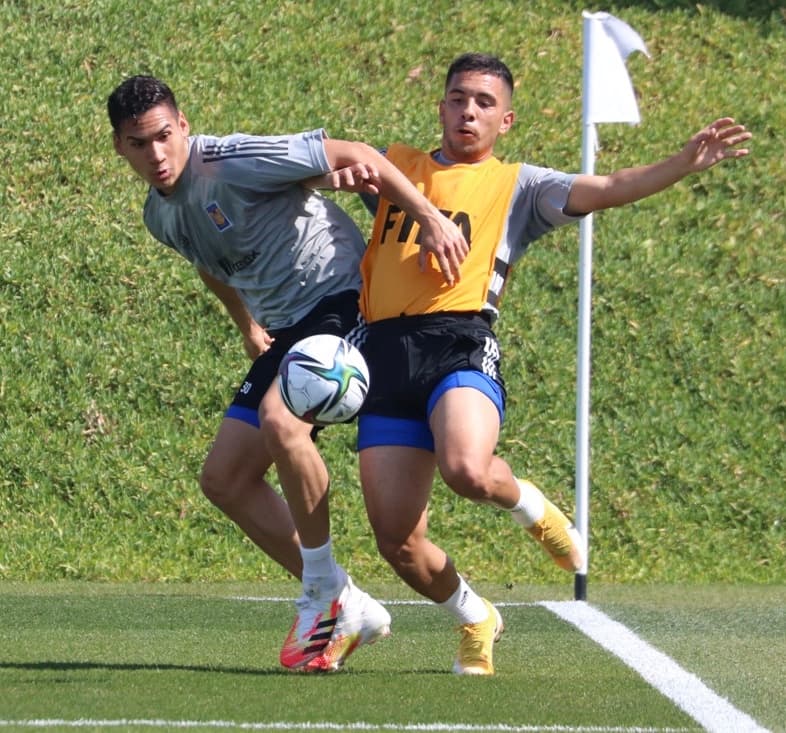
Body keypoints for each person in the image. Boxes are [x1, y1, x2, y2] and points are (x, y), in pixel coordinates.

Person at [346, 52, 752, 676]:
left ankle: (532, 509)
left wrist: (683, 161)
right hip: (382, 354)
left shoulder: (521, 185)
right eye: (458, 98)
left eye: (484, 103)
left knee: (466, 469)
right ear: (441, 107)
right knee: (397, 543)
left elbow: (611, 187)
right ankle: (474, 615)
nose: (469, 111)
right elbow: (321, 164)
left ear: (505, 120)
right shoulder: (400, 168)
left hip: (459, 340)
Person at [106, 75, 467, 672]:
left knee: (281, 421)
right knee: (224, 479)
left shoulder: (232, 161)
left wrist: (428, 216)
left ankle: (321, 593)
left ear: (184, 127)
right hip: (286, 327)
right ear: (120, 148)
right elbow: (211, 262)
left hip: (343, 300)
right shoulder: (159, 216)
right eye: (139, 144)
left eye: (165, 137)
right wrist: (247, 325)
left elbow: (358, 156)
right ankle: (344, 598)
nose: (157, 155)